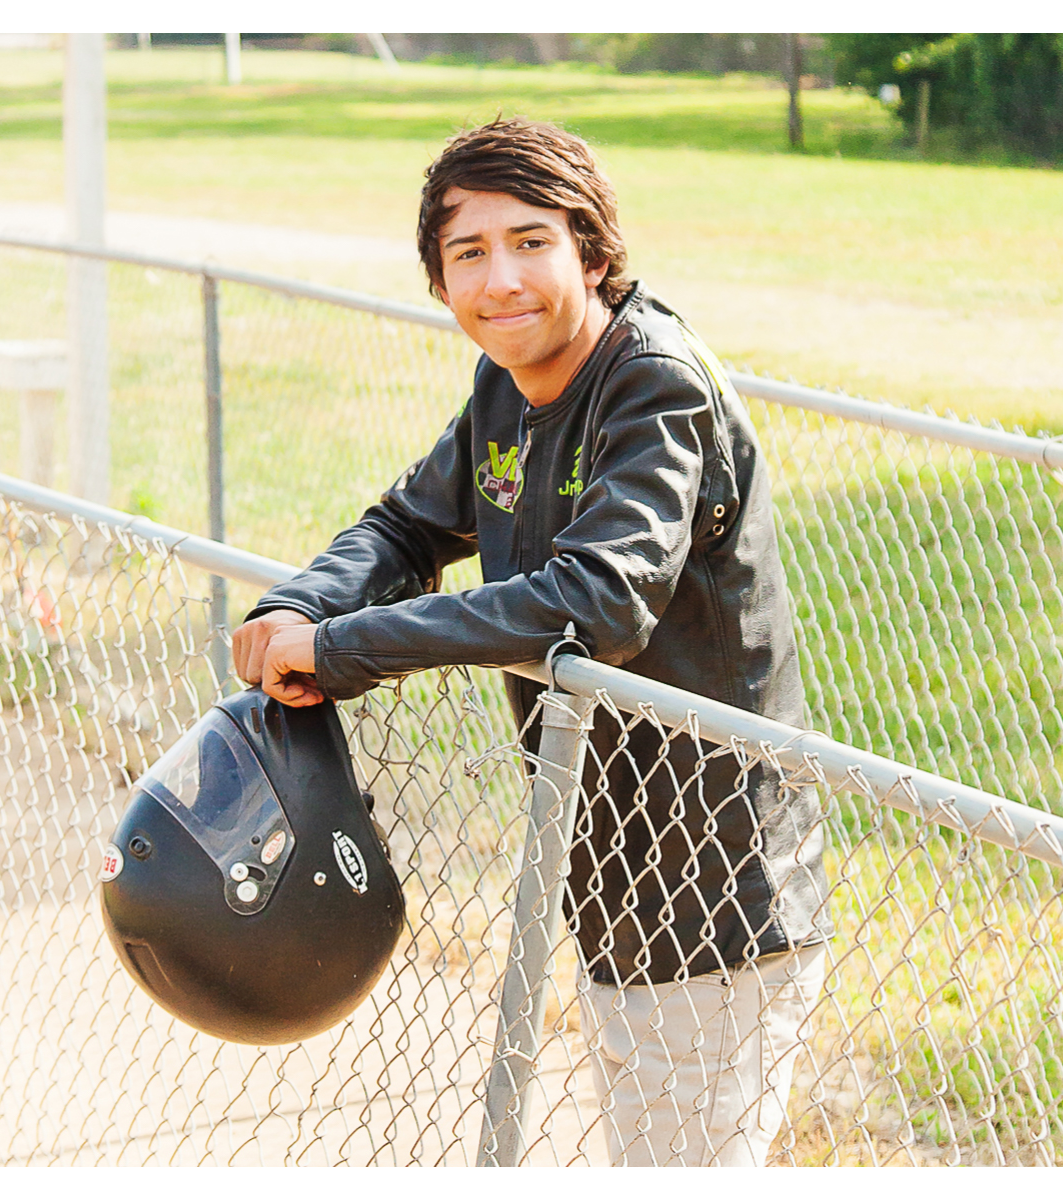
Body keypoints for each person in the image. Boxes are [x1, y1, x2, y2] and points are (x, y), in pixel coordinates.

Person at [230, 117, 831, 1167]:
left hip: (718, 881)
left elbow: (595, 601)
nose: (500, 278)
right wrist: (299, 607)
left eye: (530, 241)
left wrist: (345, 651)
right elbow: (409, 525)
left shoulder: (654, 383)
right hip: (609, 862)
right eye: (469, 253)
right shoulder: (508, 387)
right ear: (439, 279)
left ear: (592, 251)